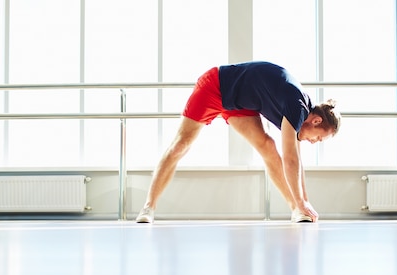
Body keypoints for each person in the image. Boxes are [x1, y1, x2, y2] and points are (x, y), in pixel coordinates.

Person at [136, 61, 341, 224]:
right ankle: (148, 207)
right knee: (180, 146)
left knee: (267, 146)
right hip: (215, 86)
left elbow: (296, 161)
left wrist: (303, 203)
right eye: (319, 138)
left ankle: (297, 211)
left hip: (239, 104)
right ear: (316, 121)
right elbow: (290, 160)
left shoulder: (300, 110)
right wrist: (302, 200)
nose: (315, 142)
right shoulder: (298, 107)